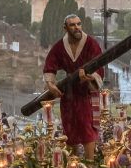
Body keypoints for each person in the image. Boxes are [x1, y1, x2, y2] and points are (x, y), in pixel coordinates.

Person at [42, 14, 105, 158]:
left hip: (86, 93)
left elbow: (100, 67)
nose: (77, 27)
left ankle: (90, 163)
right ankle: (73, 165)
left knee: (87, 127)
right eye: (72, 25)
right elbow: (50, 65)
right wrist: (50, 84)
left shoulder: (91, 43)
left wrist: (90, 77)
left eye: (79, 24)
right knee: (70, 129)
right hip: (69, 92)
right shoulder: (59, 47)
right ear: (65, 28)